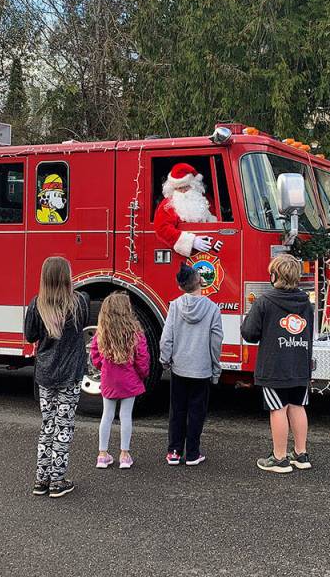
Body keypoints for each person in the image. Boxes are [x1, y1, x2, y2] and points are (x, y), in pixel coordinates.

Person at [240, 254, 315, 474]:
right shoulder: (306, 302)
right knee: (298, 406)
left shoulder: (265, 301)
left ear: (275, 275)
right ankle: (301, 454)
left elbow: (249, 333)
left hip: (274, 367)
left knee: (278, 409)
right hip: (300, 365)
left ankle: (280, 458)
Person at [24, 256, 90, 497]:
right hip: (70, 374)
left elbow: (30, 336)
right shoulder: (80, 302)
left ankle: (41, 480)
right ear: (67, 277)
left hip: (45, 372)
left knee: (47, 425)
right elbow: (82, 324)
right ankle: (57, 481)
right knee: (64, 426)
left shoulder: (35, 305)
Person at [160, 265, 223, 466]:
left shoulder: (175, 306)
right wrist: (215, 368)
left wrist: (165, 359)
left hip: (179, 368)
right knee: (197, 412)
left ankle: (174, 451)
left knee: (177, 410)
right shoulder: (213, 308)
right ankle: (193, 453)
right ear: (200, 282)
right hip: (202, 369)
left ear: (180, 287)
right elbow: (216, 341)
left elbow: (166, 337)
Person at [89, 292, 150, 469]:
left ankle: (102, 454)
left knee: (106, 415)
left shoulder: (102, 332)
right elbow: (142, 358)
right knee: (125, 416)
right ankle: (124, 455)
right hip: (129, 380)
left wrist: (103, 367)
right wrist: (142, 373)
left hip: (109, 379)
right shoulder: (135, 333)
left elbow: (95, 354)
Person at [153, 163, 222, 257]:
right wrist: (191, 241)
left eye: (186, 187)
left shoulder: (204, 200)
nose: (182, 191)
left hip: (211, 249)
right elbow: (162, 228)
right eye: (178, 188)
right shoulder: (167, 205)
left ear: (193, 185)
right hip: (182, 258)